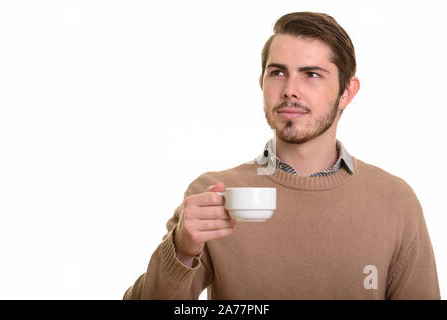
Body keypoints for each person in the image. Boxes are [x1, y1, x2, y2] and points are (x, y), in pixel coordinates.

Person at [123, 11, 440, 300]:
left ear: (347, 91)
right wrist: (181, 250)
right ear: (261, 83)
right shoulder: (214, 195)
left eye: (311, 74)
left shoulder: (395, 201)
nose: (290, 89)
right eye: (278, 73)